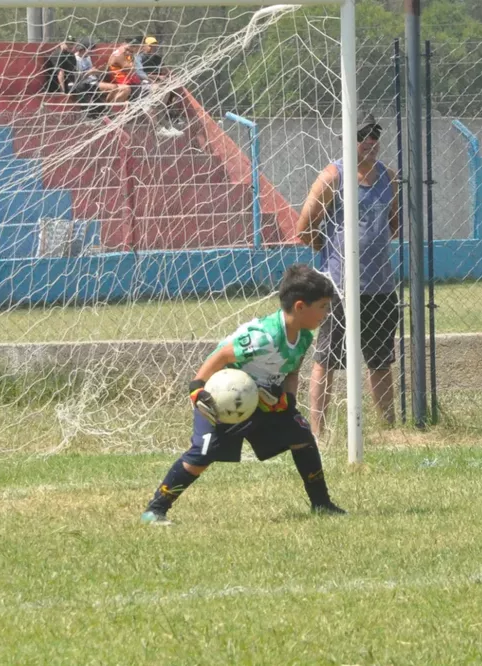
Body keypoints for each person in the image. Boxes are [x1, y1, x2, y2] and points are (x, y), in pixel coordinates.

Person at [140, 263, 344, 526]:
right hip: (224, 398)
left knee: (301, 434)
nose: (326, 314)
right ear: (300, 307)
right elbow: (222, 355)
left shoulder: (303, 336)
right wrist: (197, 389)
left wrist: (287, 401)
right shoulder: (264, 336)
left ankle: (322, 504)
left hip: (262, 400)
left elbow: (291, 373)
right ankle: (155, 510)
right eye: (323, 307)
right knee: (203, 454)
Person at [296, 111, 400, 439]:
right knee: (326, 359)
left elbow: (393, 224)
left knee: (380, 359)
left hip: (380, 286)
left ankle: (389, 426)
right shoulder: (332, 177)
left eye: (373, 135)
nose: (369, 141)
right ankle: (318, 432)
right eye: (361, 135)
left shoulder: (389, 178)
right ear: (347, 140)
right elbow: (305, 228)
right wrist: (333, 255)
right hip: (338, 287)